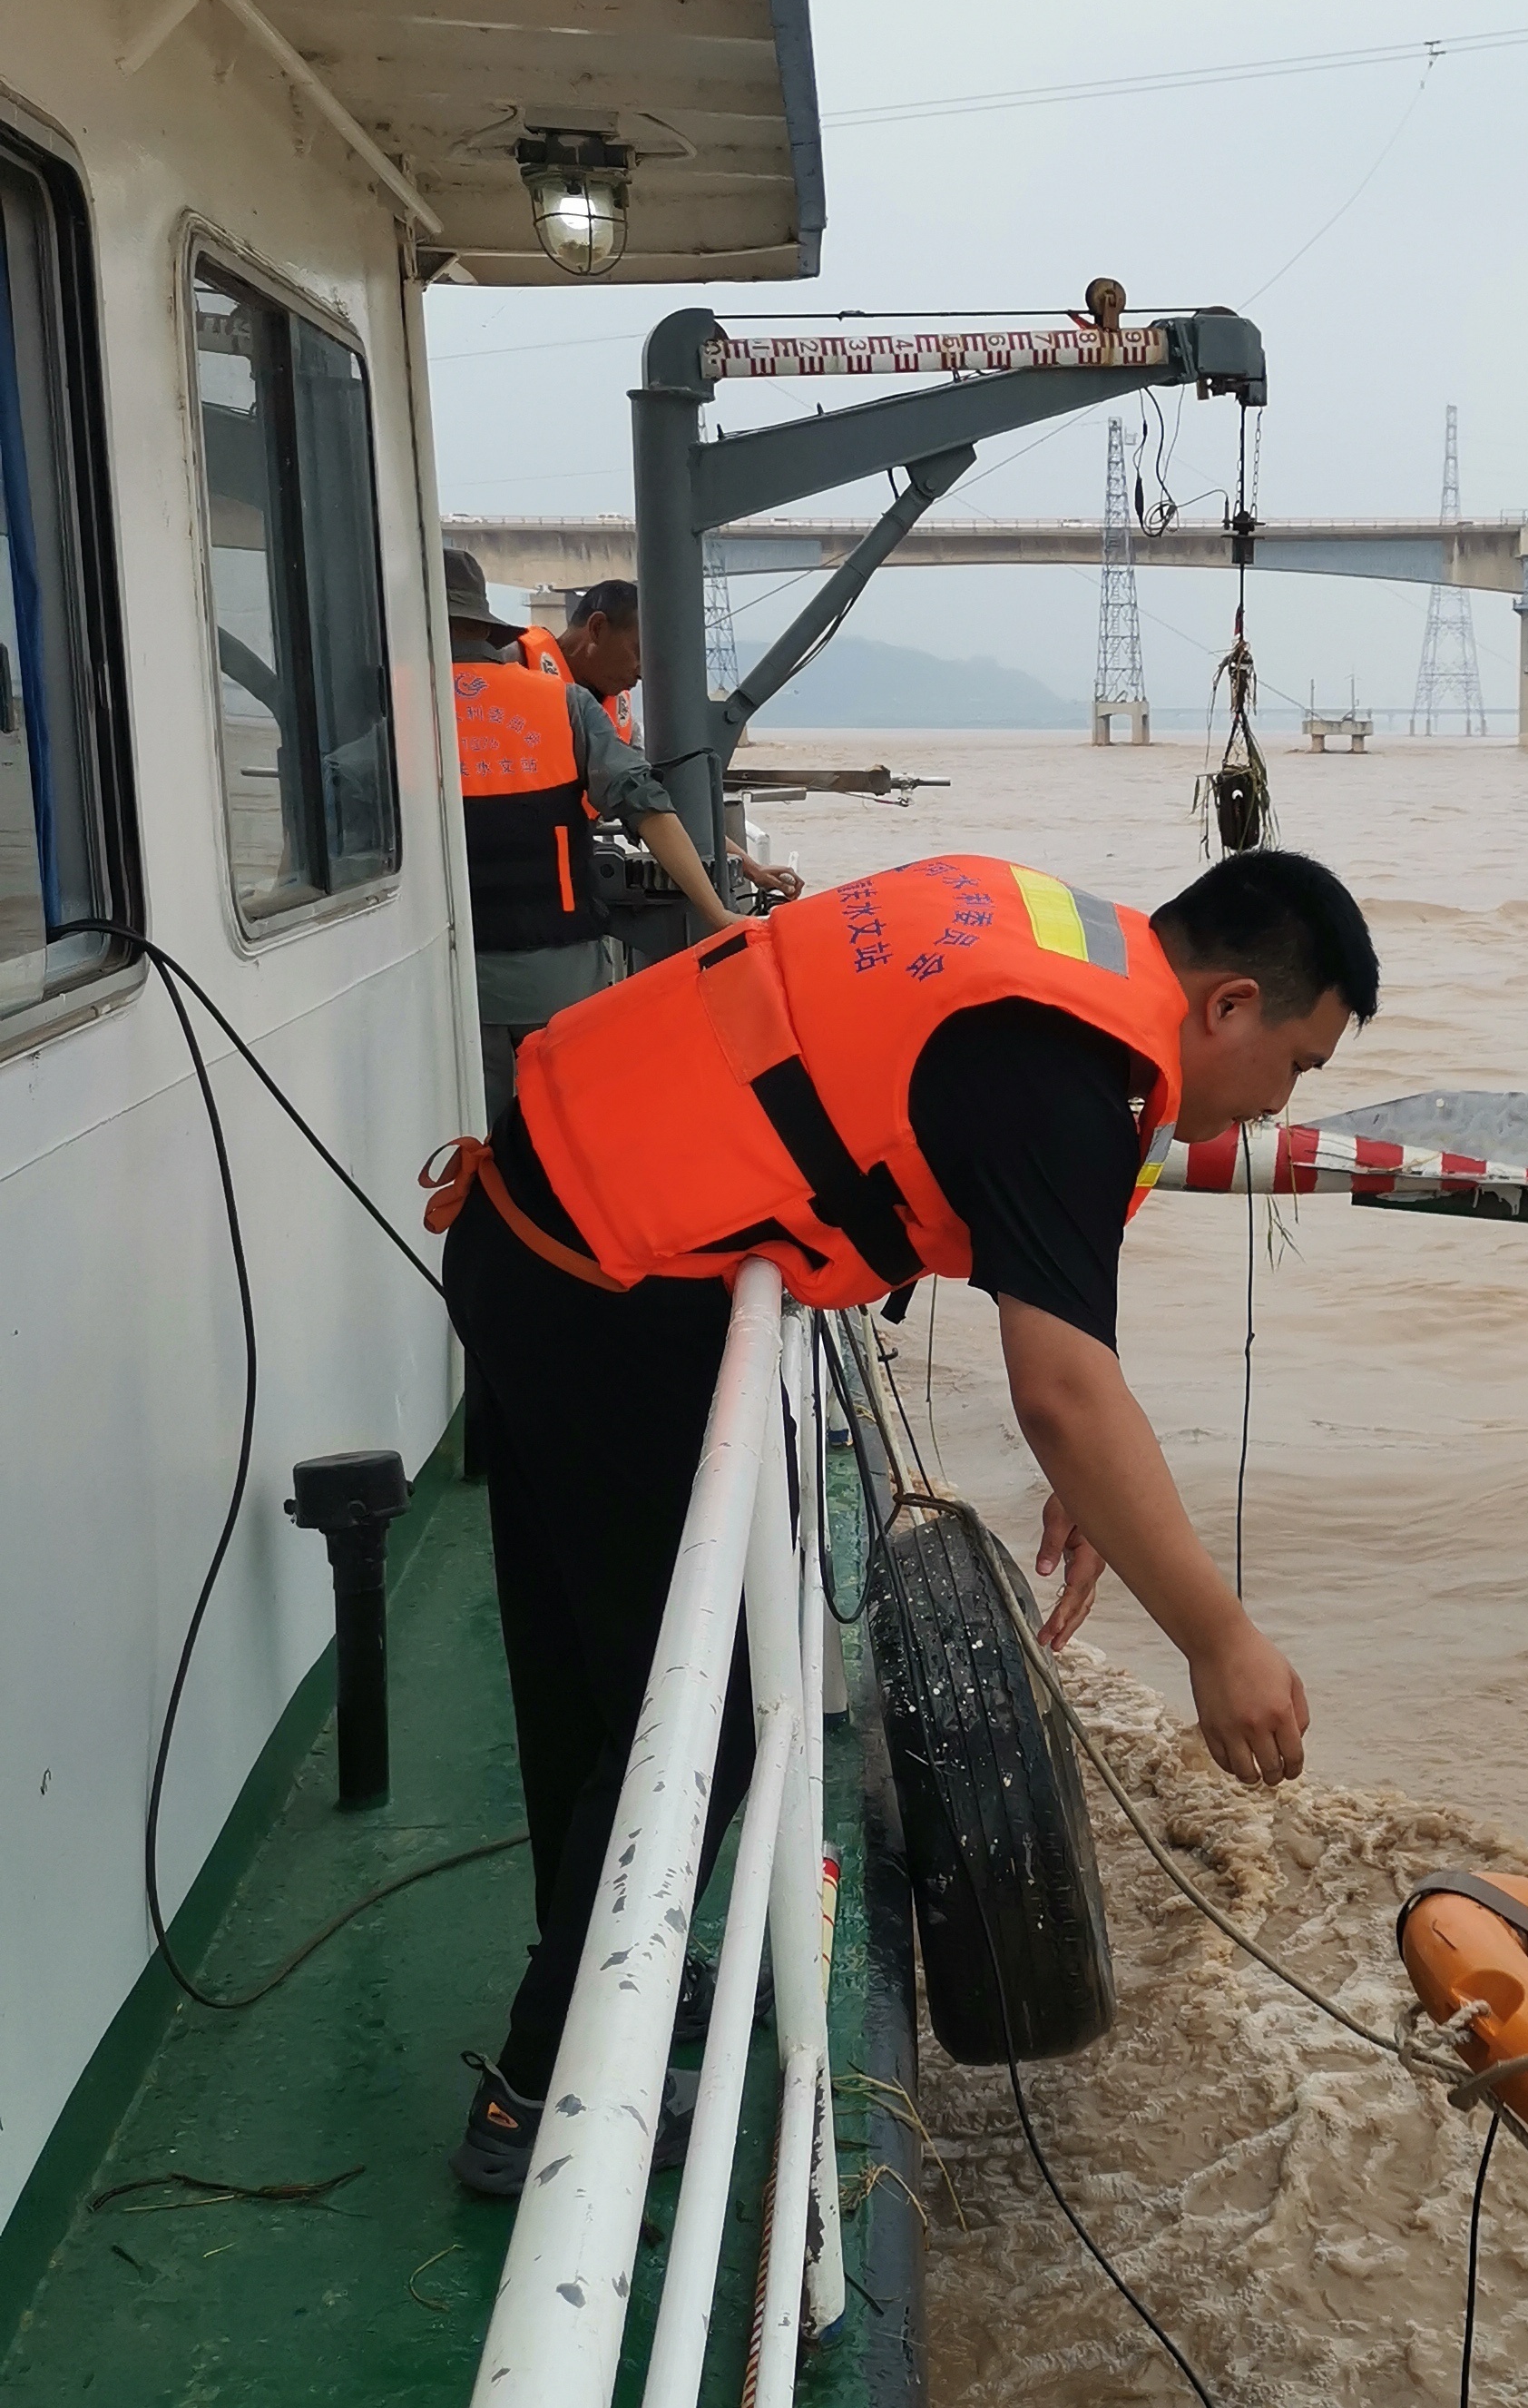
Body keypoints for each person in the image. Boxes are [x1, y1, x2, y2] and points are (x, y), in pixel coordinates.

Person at [426, 843, 1380, 2198]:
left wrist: (1103, 1474)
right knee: (703, 1721)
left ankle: (588, 2005)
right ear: (1229, 1006)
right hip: (600, 1289)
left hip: (545, 1217)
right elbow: (1059, 1393)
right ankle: (537, 2100)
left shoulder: (1056, 943)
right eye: (1297, 1064)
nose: (1274, 1101)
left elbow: (1070, 1377)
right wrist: (1220, 1642)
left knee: (593, 1683)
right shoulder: (1062, 1072)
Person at [445, 548, 731, 1119]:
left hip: (449, 985)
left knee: (467, 1137)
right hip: (558, 978)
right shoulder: (566, 705)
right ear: (483, 624)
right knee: (563, 1133)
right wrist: (717, 913)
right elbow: (649, 807)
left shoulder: (396, 708)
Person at [551, 578, 805, 913]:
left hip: (568, 892)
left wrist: (749, 867)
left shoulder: (614, 717)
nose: (642, 674)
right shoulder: (515, 680)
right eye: (638, 653)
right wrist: (719, 915)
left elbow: (658, 807)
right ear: (597, 628)